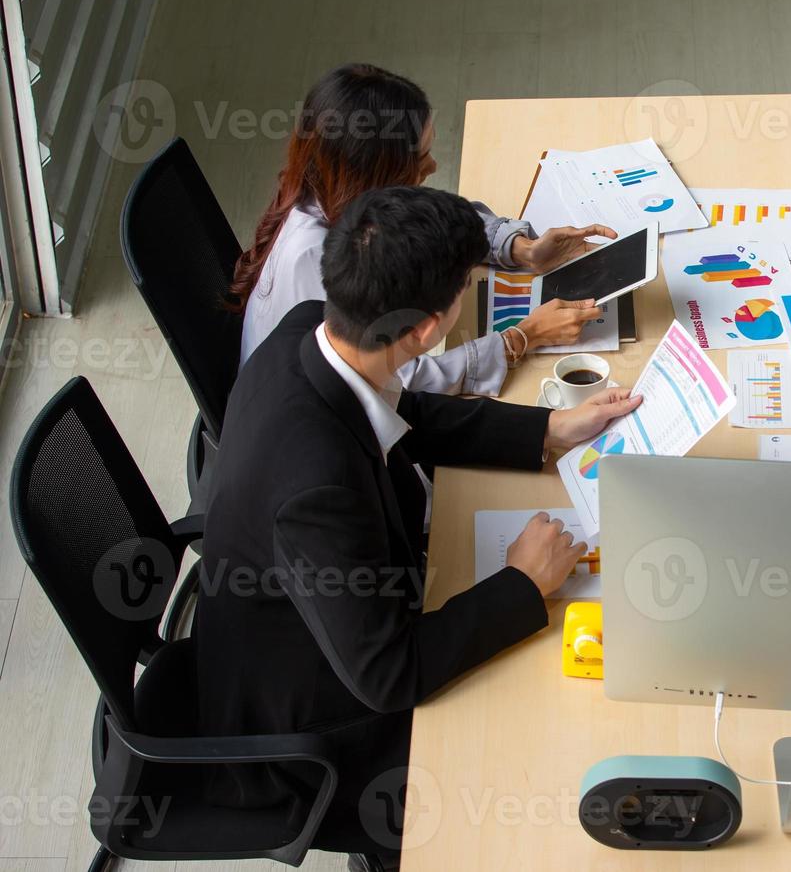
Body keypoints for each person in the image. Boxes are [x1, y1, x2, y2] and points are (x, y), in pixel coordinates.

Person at [195, 186, 642, 868]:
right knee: (544, 752)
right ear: (430, 327)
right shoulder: (314, 488)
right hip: (308, 731)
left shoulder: (312, 331)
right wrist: (521, 584)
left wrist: (547, 430)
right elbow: (388, 675)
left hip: (320, 623)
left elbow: (412, 414)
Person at [228, 63, 612, 395]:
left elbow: (428, 218)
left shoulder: (330, 190)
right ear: (376, 173)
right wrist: (523, 338)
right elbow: (400, 383)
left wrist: (519, 248)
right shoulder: (316, 260)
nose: (432, 166)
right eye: (421, 155)